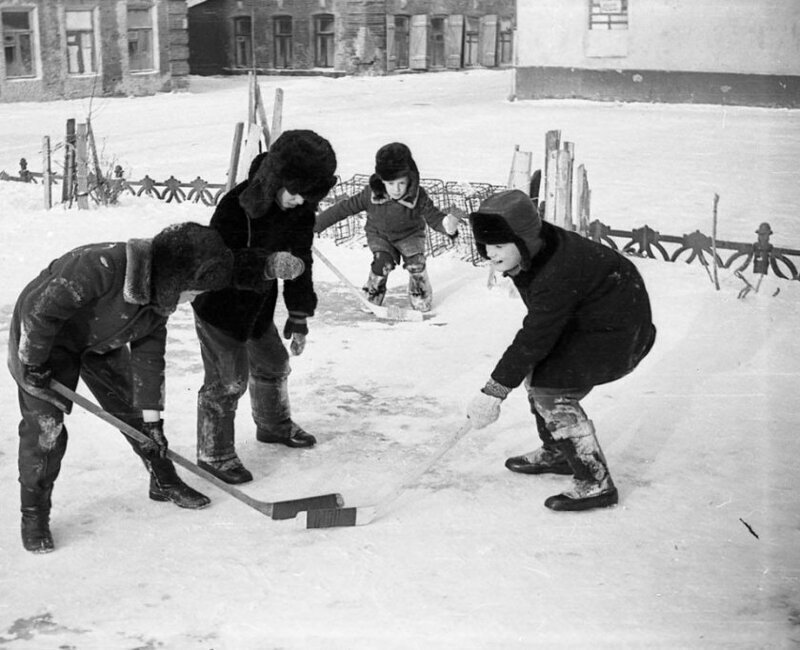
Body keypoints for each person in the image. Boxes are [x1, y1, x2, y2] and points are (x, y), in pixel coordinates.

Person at [8, 222, 235, 553]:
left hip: (102, 341)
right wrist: (34, 361)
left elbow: (149, 362)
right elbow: (39, 311)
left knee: (135, 414)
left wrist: (154, 425)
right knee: (46, 431)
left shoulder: (159, 302)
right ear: (175, 278)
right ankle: (34, 514)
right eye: (195, 292)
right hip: (44, 342)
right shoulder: (100, 267)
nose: (193, 299)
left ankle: (163, 480)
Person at [465, 189, 656, 511]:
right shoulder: (537, 247)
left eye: (498, 245)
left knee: (551, 390)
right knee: (540, 374)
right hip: (589, 322)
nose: (490, 254)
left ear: (522, 240)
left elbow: (536, 334)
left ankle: (595, 481)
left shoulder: (556, 269)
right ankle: (558, 451)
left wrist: (493, 391)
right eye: (485, 245)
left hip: (619, 335)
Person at [191, 129, 338, 485]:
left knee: (274, 362)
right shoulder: (236, 207)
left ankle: (273, 425)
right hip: (219, 308)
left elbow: (301, 262)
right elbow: (214, 263)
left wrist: (300, 315)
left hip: (257, 308)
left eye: (309, 195)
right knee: (228, 381)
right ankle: (214, 452)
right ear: (276, 177)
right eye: (296, 191)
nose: (301, 201)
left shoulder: (300, 213)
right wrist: (266, 265)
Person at [314, 142, 461, 312]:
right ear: (382, 181)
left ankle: (419, 289)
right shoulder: (370, 194)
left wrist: (446, 225)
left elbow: (434, 217)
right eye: (390, 184)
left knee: (416, 263)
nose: (396, 189)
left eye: (401, 183)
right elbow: (344, 208)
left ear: (410, 179)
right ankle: (373, 290)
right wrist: (316, 225)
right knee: (382, 263)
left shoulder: (418, 196)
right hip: (380, 235)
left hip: (410, 235)